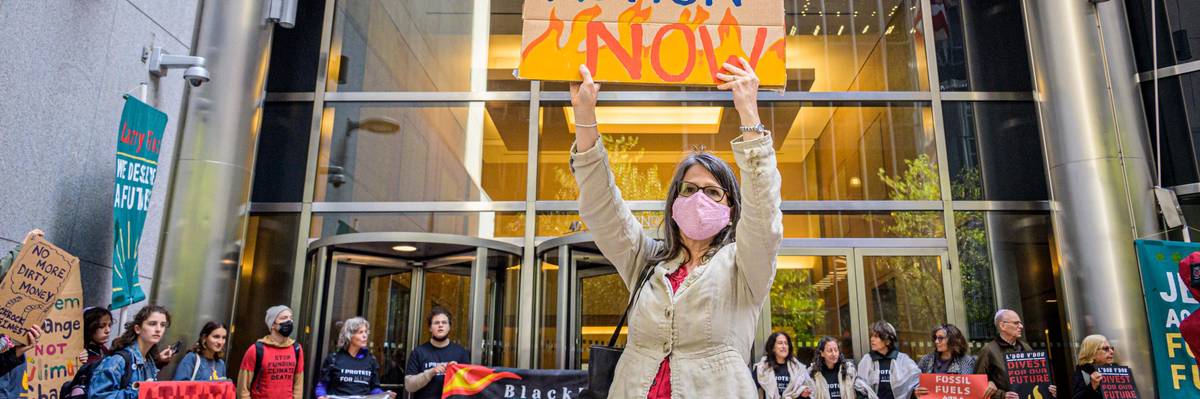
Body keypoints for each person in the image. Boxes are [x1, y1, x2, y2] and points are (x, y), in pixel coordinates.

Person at [569, 58, 783, 398]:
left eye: (713, 192)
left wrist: (749, 116)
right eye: (689, 189)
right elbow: (602, 207)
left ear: (731, 209)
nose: (699, 198)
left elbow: (764, 213)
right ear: (674, 203)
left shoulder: (744, 267)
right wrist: (584, 117)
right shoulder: (646, 260)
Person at [89, 305, 174, 399]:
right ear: (137, 329)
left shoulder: (149, 361)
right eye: (152, 324)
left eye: (163, 325)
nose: (158, 329)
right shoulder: (119, 360)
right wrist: (139, 391)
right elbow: (97, 396)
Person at [976, 309, 1057, 399]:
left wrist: (1047, 389)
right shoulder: (988, 350)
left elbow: (1036, 377)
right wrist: (1002, 395)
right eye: (1016, 323)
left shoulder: (1026, 347)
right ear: (1002, 326)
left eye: (1020, 323)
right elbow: (978, 384)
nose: (1021, 326)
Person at [316, 317, 396, 399]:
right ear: (349, 335)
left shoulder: (371, 360)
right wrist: (321, 396)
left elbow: (374, 388)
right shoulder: (333, 359)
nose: (365, 335)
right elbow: (322, 385)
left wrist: (384, 394)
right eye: (360, 332)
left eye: (366, 332)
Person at [238, 305, 304, 399]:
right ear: (273, 324)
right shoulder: (256, 349)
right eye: (284, 318)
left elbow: (298, 385)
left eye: (291, 318)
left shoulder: (296, 349)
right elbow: (243, 389)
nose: (289, 321)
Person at [404, 307, 470, 399]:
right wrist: (431, 372)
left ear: (449, 327)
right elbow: (409, 386)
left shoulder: (460, 352)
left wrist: (456, 372)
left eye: (444, 322)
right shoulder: (418, 352)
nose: (440, 325)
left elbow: (468, 385)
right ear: (430, 328)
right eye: (436, 323)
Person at [856, 321, 920, 399]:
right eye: (872, 336)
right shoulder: (867, 360)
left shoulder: (903, 360)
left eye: (876, 337)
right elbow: (860, 387)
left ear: (887, 341)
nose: (872, 339)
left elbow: (916, 381)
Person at [914, 324, 977, 396]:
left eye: (940, 338)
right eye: (936, 338)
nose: (936, 341)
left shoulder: (967, 361)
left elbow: (971, 389)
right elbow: (914, 383)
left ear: (952, 340)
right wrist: (916, 391)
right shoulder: (927, 360)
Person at [804, 336, 871, 399]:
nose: (834, 354)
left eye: (836, 350)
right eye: (830, 351)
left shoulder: (849, 370)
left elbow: (862, 391)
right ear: (822, 353)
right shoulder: (813, 373)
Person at [755, 332, 811, 399]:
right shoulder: (762, 368)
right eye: (780, 343)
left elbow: (808, 394)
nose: (784, 346)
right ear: (772, 347)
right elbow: (752, 391)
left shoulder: (798, 368)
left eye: (786, 343)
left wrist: (802, 395)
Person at [1070, 335, 1115, 399]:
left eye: (1111, 348)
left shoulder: (1116, 371)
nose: (1112, 352)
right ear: (1092, 353)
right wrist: (1092, 387)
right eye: (1106, 349)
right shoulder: (1081, 374)